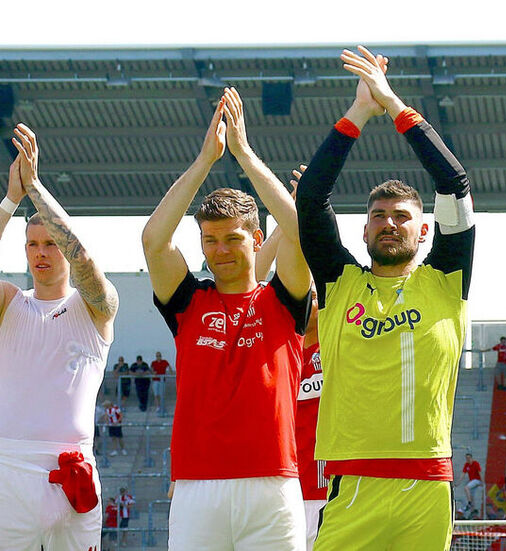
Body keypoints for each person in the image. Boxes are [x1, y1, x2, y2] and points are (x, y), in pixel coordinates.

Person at [296, 46, 474, 551]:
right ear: (364, 229)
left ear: (424, 231)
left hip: (427, 484)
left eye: (402, 217)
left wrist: (393, 104)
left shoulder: (447, 279)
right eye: (378, 216)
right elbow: (310, 198)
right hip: (353, 483)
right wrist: (359, 111)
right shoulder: (339, 283)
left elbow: (454, 183)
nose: (389, 224)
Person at [142, 86, 312, 549]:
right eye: (210, 240)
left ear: (256, 239)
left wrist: (244, 154)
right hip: (197, 486)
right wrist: (205, 161)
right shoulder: (188, 303)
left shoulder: (283, 300)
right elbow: (154, 240)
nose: (220, 250)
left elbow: (300, 232)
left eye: (233, 238)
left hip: (273, 485)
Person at [0, 124, 117, 549]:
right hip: (10, 468)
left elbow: (82, 258)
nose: (41, 252)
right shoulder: (10, 302)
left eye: (51, 243)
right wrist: (12, 199)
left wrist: (35, 188)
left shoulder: (96, 307)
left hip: (74, 469)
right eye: (33, 244)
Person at [255, 165, 327, 551]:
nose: (309, 299)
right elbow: (253, 275)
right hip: (282, 491)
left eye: (315, 294)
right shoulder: (275, 344)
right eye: (304, 293)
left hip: (334, 492)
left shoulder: (341, 344)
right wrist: (288, 217)